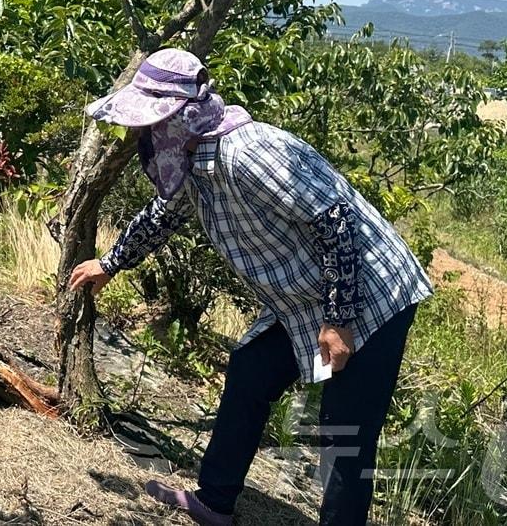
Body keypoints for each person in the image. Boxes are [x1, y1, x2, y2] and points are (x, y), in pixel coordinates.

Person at [67, 48, 431, 526]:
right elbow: (162, 216)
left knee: (345, 430)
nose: (145, 137)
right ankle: (215, 501)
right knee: (251, 372)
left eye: (151, 124)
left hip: (371, 290)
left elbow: (335, 219)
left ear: (180, 119)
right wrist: (110, 264)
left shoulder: (248, 153)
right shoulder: (195, 163)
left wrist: (339, 319)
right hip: (305, 296)